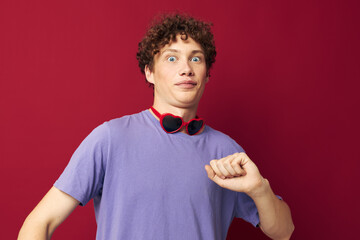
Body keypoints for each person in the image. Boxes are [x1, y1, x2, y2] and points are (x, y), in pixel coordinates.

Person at [18, 14, 294, 240]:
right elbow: (39, 223)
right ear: (150, 72)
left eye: (196, 58)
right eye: (172, 58)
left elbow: (284, 232)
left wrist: (259, 189)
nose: (186, 68)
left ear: (207, 74)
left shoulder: (227, 151)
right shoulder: (111, 138)